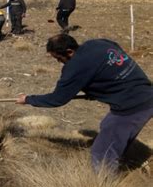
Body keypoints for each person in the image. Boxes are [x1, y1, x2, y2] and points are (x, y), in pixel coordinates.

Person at [16, 34, 153, 173]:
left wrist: (27, 99)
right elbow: (110, 62)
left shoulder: (75, 67)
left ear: (69, 51)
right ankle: (122, 155)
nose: (59, 62)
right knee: (108, 126)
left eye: (59, 58)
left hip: (133, 106)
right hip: (147, 92)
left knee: (101, 153)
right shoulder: (98, 43)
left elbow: (57, 99)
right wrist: (97, 90)